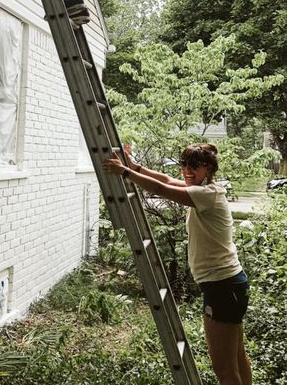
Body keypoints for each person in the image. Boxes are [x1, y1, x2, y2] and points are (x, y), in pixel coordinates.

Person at [103, 143, 252, 385]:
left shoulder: (207, 194)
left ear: (209, 168)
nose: (187, 171)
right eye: (184, 165)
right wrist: (135, 165)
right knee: (236, 356)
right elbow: (167, 179)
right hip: (229, 285)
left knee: (224, 369)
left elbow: (162, 189)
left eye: (195, 166)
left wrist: (126, 172)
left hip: (222, 287)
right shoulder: (205, 189)